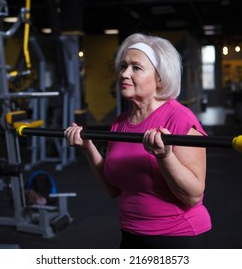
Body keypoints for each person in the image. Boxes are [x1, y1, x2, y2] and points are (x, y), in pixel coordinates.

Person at [64, 33, 211, 249]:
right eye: (123, 66)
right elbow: (113, 189)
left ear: (160, 78)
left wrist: (165, 156)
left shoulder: (180, 118)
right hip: (131, 233)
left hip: (178, 236)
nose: (124, 73)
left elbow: (193, 196)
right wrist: (88, 147)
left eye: (136, 68)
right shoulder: (120, 123)